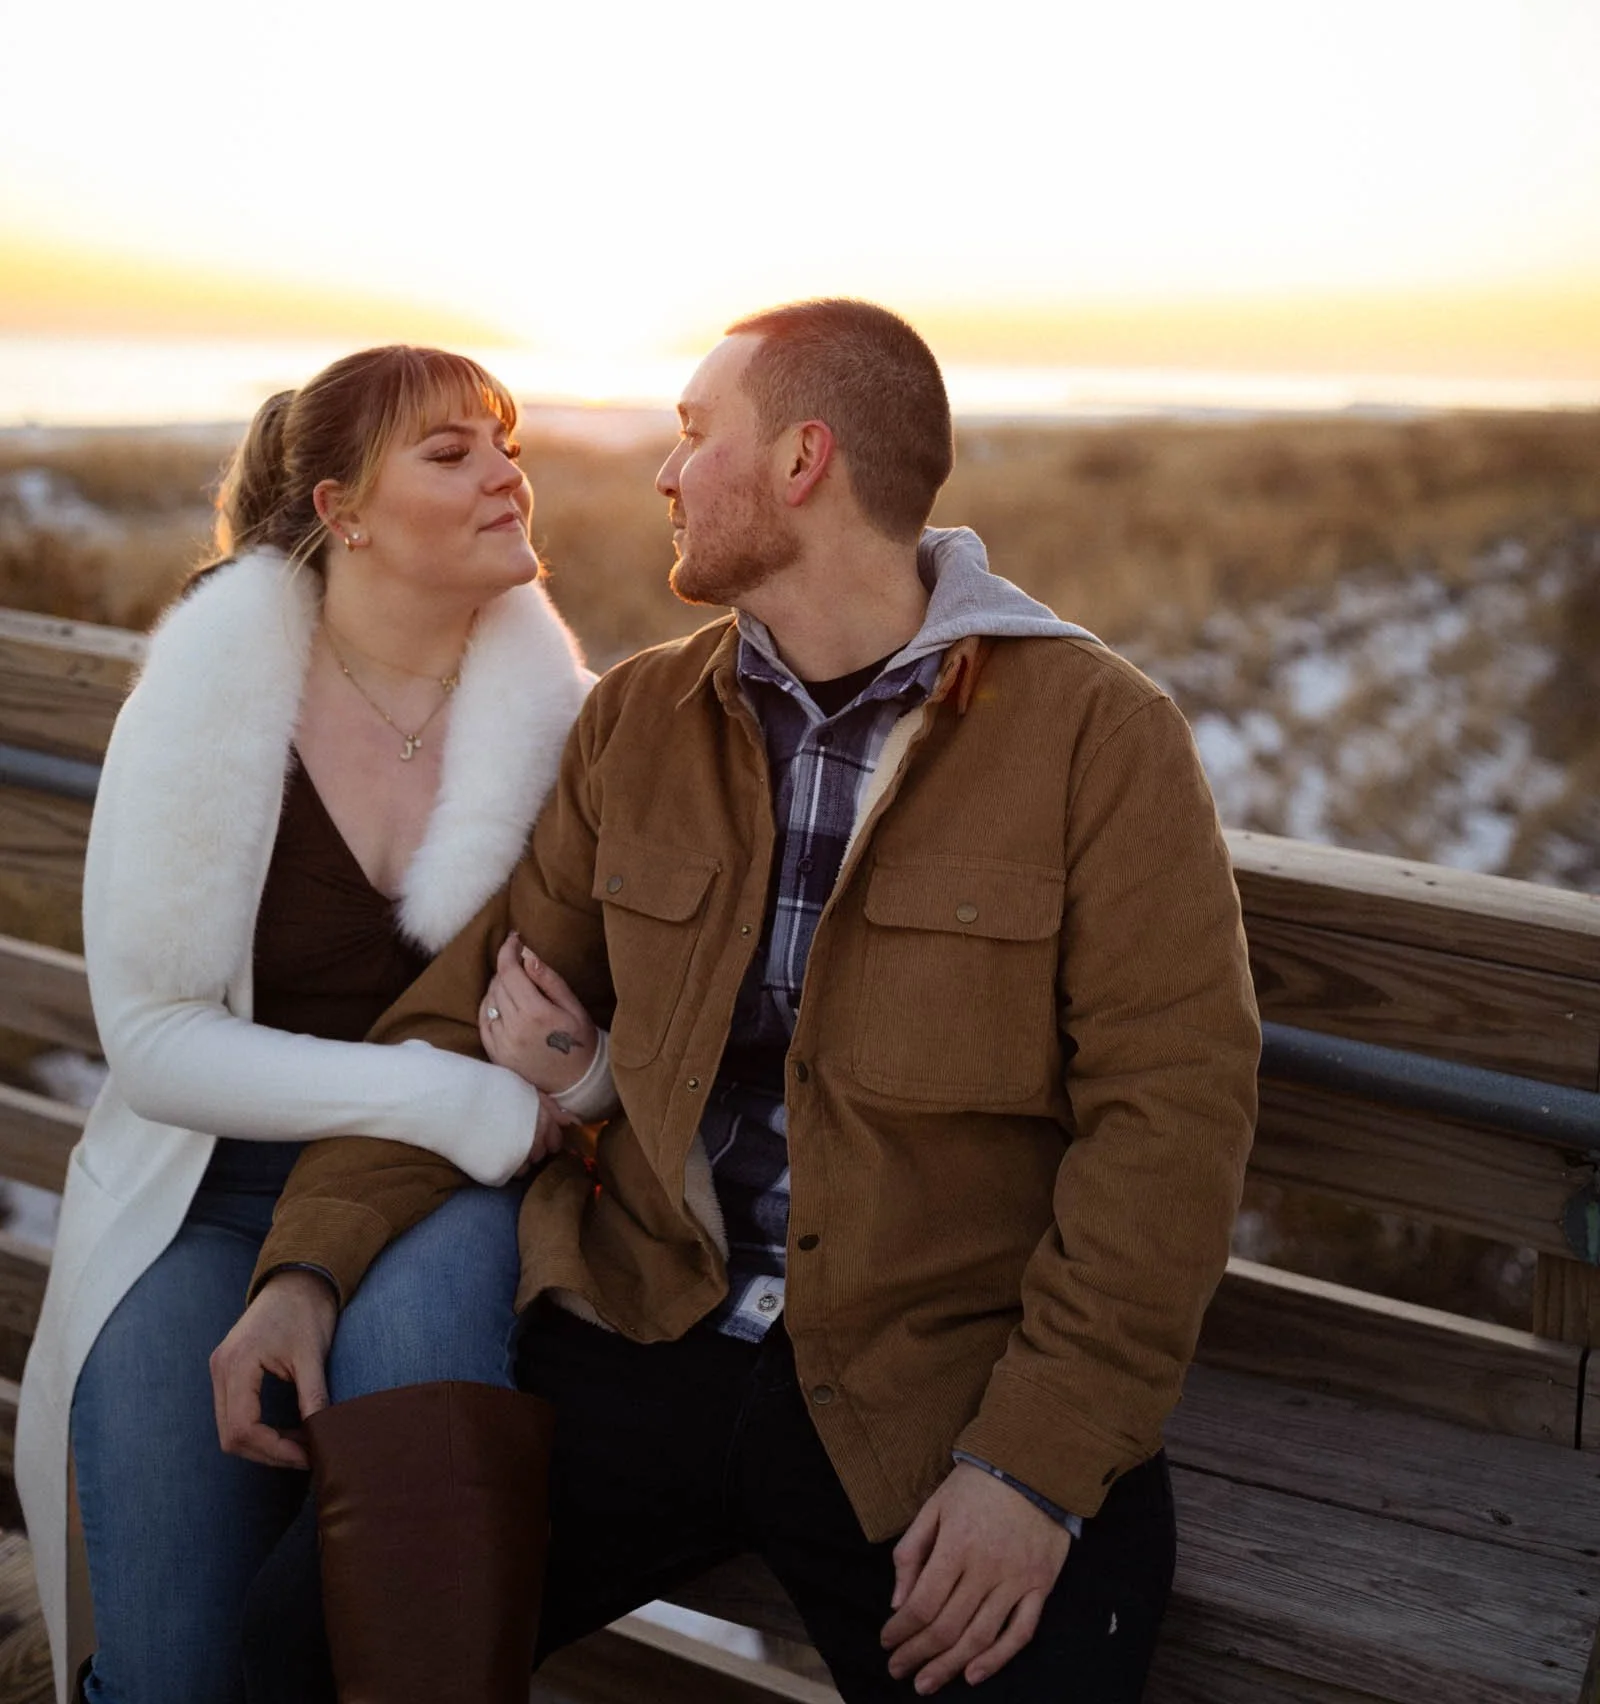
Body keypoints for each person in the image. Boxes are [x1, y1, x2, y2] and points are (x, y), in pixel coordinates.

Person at [214, 299, 1260, 1704]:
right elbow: (452, 1023)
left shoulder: (1098, 738)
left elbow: (1172, 1125)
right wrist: (306, 1265)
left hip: (930, 1383)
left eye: (699, 435)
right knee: (300, 1657)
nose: (664, 468)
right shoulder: (641, 720)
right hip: (642, 1334)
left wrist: (1034, 1464)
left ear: (803, 462)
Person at [15, 344, 610, 1704]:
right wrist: (449, 1097)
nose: (504, 475)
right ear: (342, 512)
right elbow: (153, 1039)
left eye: (504, 443)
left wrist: (571, 1083)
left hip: (436, 1199)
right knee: (167, 1667)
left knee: (401, 1632)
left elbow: (598, 1048)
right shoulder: (214, 686)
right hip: (200, 1192)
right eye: (450, 454)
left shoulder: (566, 725)